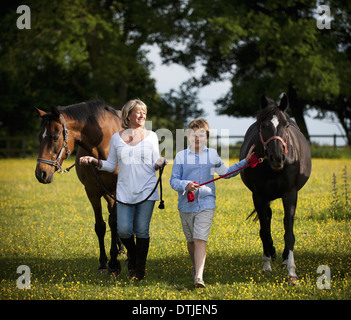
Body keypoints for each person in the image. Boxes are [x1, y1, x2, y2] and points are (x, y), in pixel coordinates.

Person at [79, 99, 166, 280]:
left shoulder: (152, 136)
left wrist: (160, 162)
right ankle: (132, 258)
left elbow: (155, 160)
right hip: (125, 190)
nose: (142, 115)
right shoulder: (116, 138)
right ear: (128, 115)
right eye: (138, 112)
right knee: (124, 230)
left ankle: (139, 271)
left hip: (147, 189)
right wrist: (94, 161)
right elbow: (111, 165)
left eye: (144, 112)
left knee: (142, 230)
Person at [170, 118, 255, 288]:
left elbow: (226, 173)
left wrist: (245, 161)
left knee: (200, 238)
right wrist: (185, 185)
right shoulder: (181, 156)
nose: (197, 138)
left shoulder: (212, 154)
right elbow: (173, 180)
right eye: (194, 135)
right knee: (191, 241)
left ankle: (199, 278)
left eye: (201, 135)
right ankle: (195, 268)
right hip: (186, 204)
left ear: (206, 137)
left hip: (206, 203)